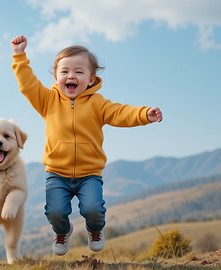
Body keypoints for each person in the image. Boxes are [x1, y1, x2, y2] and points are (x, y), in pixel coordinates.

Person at [10, 35, 162, 256]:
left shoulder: (97, 104)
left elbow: (121, 113)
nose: (71, 76)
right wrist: (19, 56)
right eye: (64, 72)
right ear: (56, 76)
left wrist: (144, 114)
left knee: (93, 210)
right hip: (57, 173)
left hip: (89, 173)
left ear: (91, 79)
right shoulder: (48, 100)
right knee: (55, 212)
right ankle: (62, 232)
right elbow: (27, 85)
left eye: (79, 72)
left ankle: (95, 230)